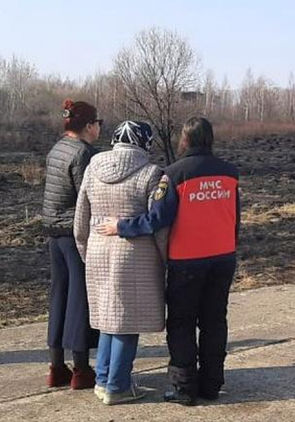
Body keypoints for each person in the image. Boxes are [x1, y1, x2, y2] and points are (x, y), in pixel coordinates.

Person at [98, 117, 240, 405]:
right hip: (223, 258)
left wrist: (121, 226)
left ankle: (183, 387)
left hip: (186, 261)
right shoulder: (230, 172)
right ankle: (212, 383)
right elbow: (236, 217)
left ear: (184, 140)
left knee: (182, 324)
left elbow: (157, 219)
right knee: (214, 322)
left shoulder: (174, 174)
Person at [74, 121, 167, 405]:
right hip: (135, 255)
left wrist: (86, 253)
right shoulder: (151, 173)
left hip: (98, 249)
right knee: (127, 321)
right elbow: (158, 225)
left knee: (107, 318)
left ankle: (103, 380)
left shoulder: (92, 167)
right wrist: (166, 259)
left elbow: (80, 220)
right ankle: (118, 386)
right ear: (145, 143)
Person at [41, 99, 100, 389]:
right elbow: (86, 196)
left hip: (53, 230)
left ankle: (56, 366)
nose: (99, 128)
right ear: (88, 126)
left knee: (59, 295)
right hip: (73, 232)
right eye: (97, 123)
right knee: (79, 297)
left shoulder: (57, 148)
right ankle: (81, 368)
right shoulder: (84, 154)